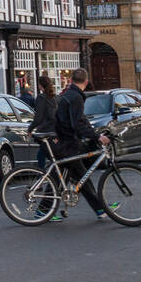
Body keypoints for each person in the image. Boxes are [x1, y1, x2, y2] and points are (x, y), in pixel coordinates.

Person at [52, 67, 114, 221]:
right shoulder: (76, 97)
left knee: (76, 177)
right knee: (78, 176)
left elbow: (80, 120)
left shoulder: (70, 95)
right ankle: (100, 208)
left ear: (71, 80)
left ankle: (100, 208)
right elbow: (78, 123)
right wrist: (97, 137)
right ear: (86, 82)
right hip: (68, 144)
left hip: (64, 142)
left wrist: (93, 133)